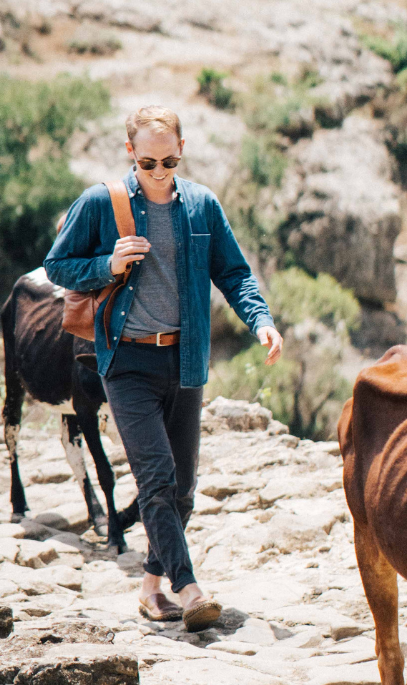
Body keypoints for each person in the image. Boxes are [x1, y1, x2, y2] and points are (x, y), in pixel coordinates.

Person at [44, 105, 283, 630]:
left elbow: (234, 273)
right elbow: (56, 265)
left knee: (182, 491)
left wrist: (260, 320)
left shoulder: (201, 206)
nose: (158, 171)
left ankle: (152, 588)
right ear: (130, 152)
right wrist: (105, 264)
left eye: (169, 161)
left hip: (186, 358)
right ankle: (189, 587)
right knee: (156, 481)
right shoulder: (100, 202)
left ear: (182, 152)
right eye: (148, 161)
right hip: (125, 360)